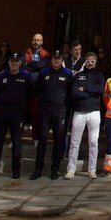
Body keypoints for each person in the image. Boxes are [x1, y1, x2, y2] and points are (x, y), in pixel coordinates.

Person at [0, 52, 33, 179]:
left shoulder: (25, 76)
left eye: (16, 61)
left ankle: (15, 170)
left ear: (20, 63)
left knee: (16, 142)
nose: (14, 63)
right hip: (2, 111)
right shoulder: (1, 76)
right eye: (12, 61)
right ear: (8, 62)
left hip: (17, 112)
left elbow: (30, 94)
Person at [30, 52, 72, 180]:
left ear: (62, 60)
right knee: (42, 139)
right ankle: (38, 169)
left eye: (59, 59)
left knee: (58, 140)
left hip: (60, 111)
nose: (56, 61)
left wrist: (66, 108)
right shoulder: (44, 73)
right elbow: (37, 91)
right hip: (45, 110)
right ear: (51, 60)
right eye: (55, 58)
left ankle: (55, 169)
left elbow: (70, 93)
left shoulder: (67, 74)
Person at [64, 52, 105, 179]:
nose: (90, 63)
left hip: (94, 112)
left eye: (92, 61)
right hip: (79, 112)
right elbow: (75, 92)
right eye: (88, 61)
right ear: (84, 62)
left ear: (95, 62)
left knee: (93, 142)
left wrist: (85, 89)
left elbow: (100, 90)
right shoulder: (78, 76)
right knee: (75, 142)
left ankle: (91, 169)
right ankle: (71, 169)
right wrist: (90, 92)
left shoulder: (99, 76)